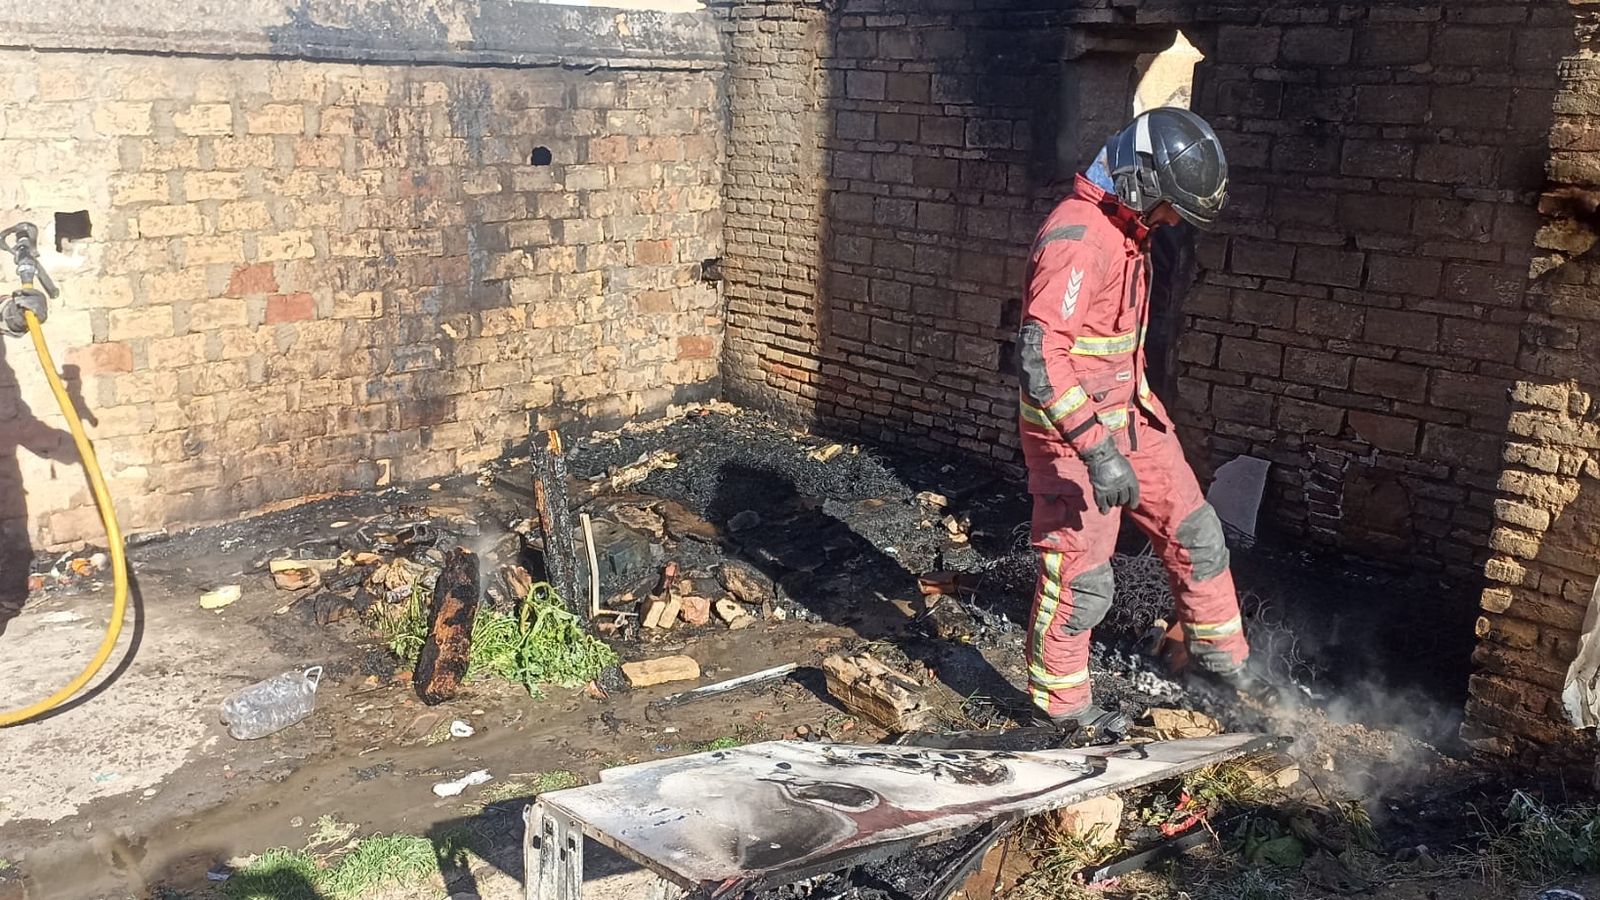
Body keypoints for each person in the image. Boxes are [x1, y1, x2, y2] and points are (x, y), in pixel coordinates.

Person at [1015, 108, 1260, 738]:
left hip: (1133, 418)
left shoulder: (1129, 232)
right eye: (1172, 206)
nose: (1174, 221)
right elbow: (1041, 358)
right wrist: (1097, 452)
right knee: (1082, 577)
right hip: (1073, 436)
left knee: (1198, 534)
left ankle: (1226, 669)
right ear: (1142, 180)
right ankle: (1061, 708)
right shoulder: (1080, 237)